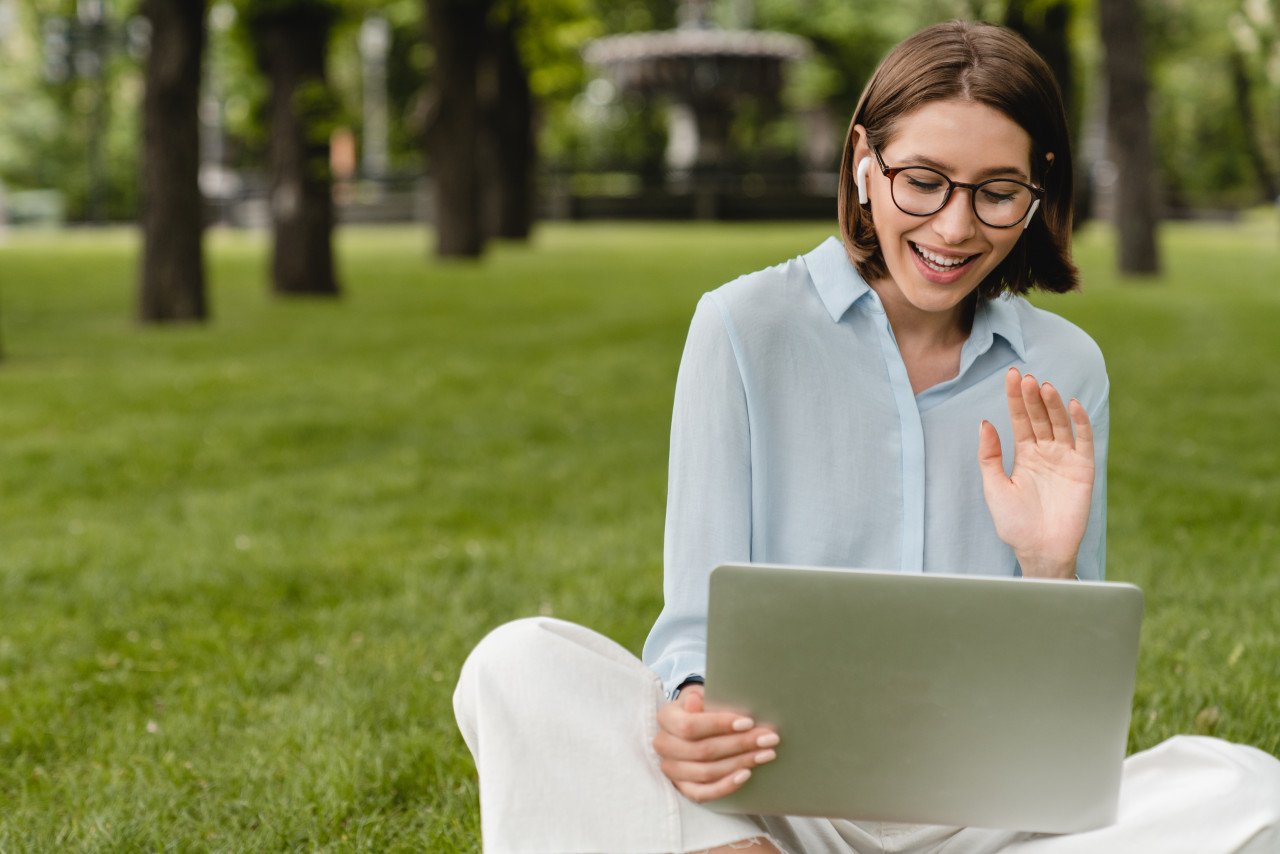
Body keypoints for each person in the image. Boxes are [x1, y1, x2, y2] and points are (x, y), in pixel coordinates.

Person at [454, 21, 1280, 854]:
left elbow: (1063, 716)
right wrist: (693, 707)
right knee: (516, 665)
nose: (956, 229)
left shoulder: (1065, 365)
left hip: (984, 817)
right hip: (771, 798)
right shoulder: (743, 326)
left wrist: (1049, 565)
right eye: (923, 182)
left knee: (1249, 787)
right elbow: (693, 625)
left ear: (1038, 192)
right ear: (863, 161)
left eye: (997, 192)